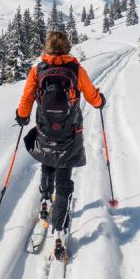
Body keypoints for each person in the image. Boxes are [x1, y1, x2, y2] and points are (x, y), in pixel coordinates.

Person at [15, 30, 106, 243]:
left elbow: (27, 97)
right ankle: (59, 227)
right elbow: (93, 97)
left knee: (48, 162)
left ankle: (45, 197)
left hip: (45, 129)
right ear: (67, 47)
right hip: (70, 131)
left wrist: (22, 116)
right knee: (64, 174)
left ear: (47, 47)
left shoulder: (38, 70)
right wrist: (100, 101)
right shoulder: (76, 69)